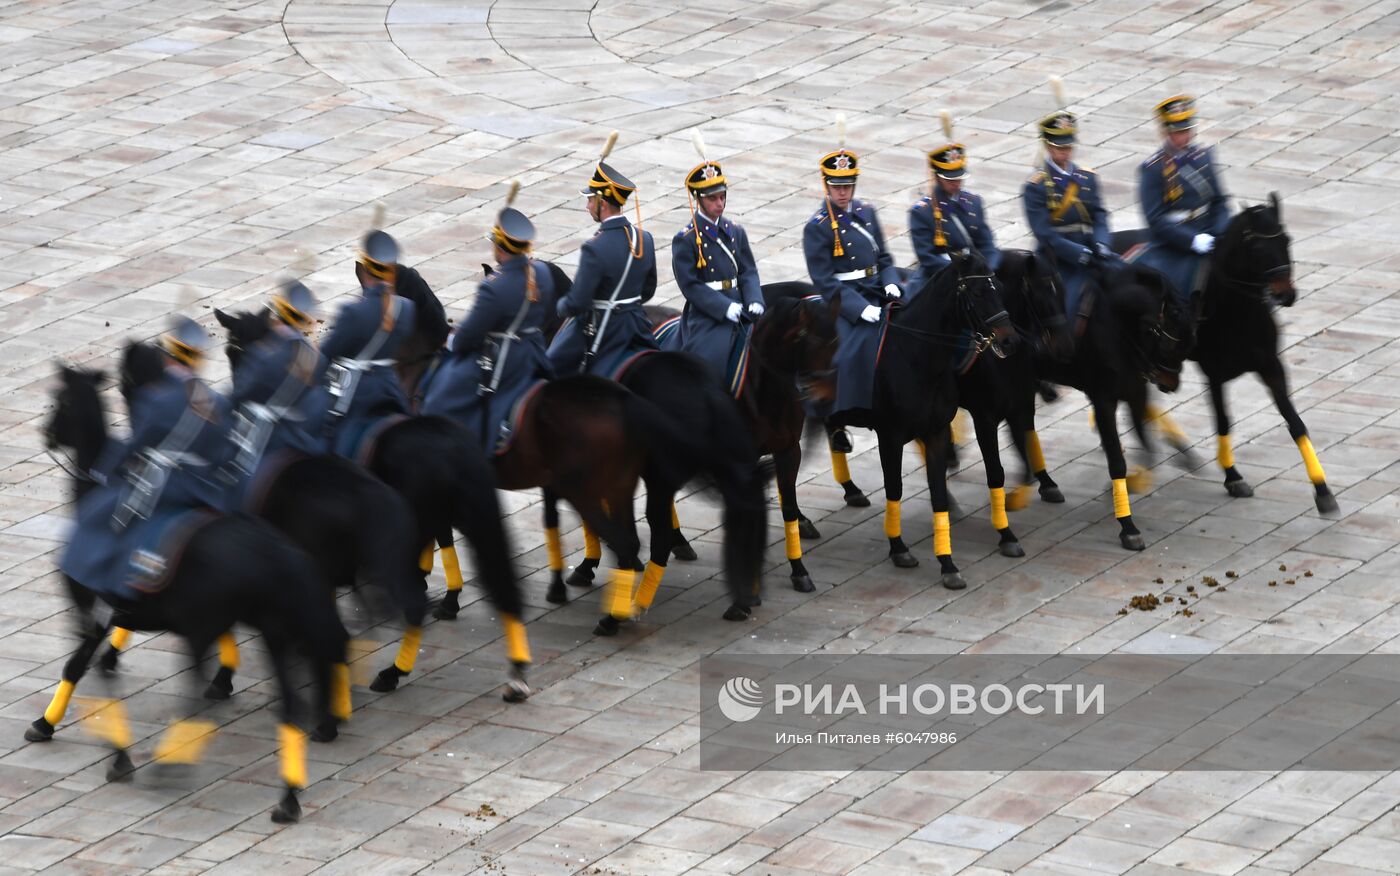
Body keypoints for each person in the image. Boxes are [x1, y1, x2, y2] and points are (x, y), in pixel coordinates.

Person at [61, 317, 233, 600]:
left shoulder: (157, 400)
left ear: (168, 356)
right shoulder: (218, 401)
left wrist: (107, 471)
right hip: (208, 488)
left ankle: (110, 586)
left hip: (167, 486)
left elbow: (135, 449)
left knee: (98, 516)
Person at [421, 206, 554, 449]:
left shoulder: (494, 287)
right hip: (533, 352)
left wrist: (451, 340)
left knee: (439, 400)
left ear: (500, 247)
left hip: (502, 359)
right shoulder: (542, 272)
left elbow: (469, 336)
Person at [802, 129, 902, 450]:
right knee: (846, 353)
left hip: (878, 287)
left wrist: (890, 280)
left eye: (847, 186)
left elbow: (884, 256)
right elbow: (825, 282)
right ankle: (836, 415)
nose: (843, 192)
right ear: (826, 185)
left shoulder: (867, 213)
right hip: (846, 300)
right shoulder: (816, 227)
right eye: (836, 186)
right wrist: (861, 309)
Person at [547, 141, 658, 378]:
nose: (587, 206)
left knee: (549, 370)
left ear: (603, 203)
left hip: (603, 329)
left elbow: (578, 302)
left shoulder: (594, 248)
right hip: (637, 326)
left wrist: (560, 306)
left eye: (590, 200)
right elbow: (648, 290)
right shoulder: (644, 239)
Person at [223, 280, 330, 503]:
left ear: (277, 314)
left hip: (276, 439)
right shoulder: (314, 354)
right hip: (311, 436)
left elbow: (239, 396)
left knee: (233, 484)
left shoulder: (264, 357)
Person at [668, 148, 763, 387]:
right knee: (709, 363)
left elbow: (748, 271)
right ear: (698, 199)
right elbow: (690, 285)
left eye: (722, 196)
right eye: (712, 198)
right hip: (708, 314)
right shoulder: (687, 238)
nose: (719, 203)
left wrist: (754, 298)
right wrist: (723, 307)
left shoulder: (736, 231)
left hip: (741, 304)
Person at [321, 230, 417, 460]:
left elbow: (326, 355)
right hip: (390, 387)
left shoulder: (352, 312)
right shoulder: (406, 308)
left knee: (320, 439)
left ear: (364, 271)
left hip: (355, 392)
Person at [1132, 95, 1231, 307]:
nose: (1184, 136)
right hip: (1174, 243)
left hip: (1210, 231)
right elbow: (1156, 219)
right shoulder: (1153, 168)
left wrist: (1219, 232)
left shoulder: (1204, 157)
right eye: (1178, 132)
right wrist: (1193, 240)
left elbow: (1220, 200)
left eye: (1187, 130)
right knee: (1176, 295)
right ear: (1166, 132)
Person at [1022, 108, 1113, 319]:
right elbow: (1044, 234)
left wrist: (1102, 244)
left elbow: (1100, 215)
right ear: (1047, 145)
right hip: (1057, 257)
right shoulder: (1036, 185)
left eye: (1069, 145)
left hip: (1090, 246)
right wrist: (1078, 253)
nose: (1065, 151)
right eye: (1059, 146)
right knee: (1069, 307)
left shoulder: (1086, 177)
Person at [909, 115, 1001, 295]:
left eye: (958, 177)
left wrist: (988, 269)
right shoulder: (922, 212)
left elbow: (987, 243)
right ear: (936, 177)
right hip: (941, 276)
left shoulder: (974, 202)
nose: (956, 183)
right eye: (949, 179)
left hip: (976, 275)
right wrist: (962, 273)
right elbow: (927, 258)